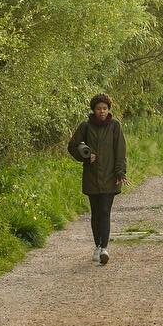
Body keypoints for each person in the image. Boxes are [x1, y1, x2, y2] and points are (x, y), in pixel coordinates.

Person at [67, 93, 127, 265]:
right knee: (95, 213)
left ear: (109, 110)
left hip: (110, 177)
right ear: (93, 110)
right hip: (91, 176)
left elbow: (121, 151)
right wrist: (85, 157)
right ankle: (97, 245)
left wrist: (120, 172)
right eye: (99, 108)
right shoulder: (86, 126)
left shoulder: (115, 126)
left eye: (105, 109)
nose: (102, 111)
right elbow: (72, 146)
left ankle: (104, 248)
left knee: (105, 211)